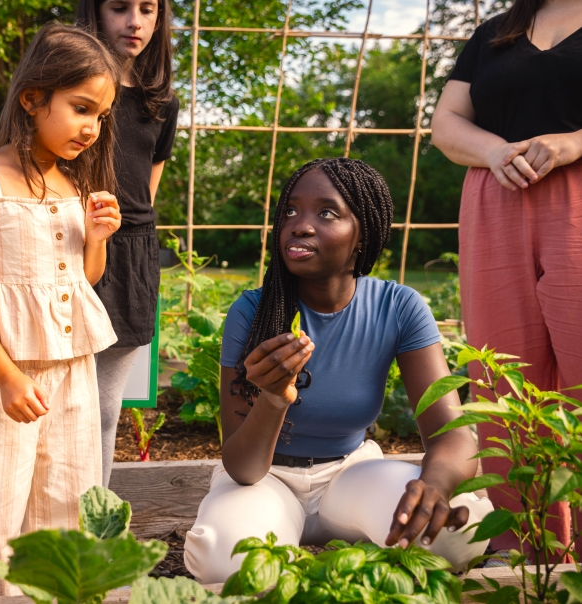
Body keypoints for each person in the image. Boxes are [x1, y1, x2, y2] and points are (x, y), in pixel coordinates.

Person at [183, 158, 494, 584]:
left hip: (350, 473)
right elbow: (244, 468)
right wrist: (274, 398)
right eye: (290, 211)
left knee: (462, 533)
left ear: (363, 235)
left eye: (326, 213)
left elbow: (451, 434)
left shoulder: (398, 307)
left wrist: (435, 485)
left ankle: (361, 537)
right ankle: (297, 539)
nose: (300, 225)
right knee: (225, 561)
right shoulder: (253, 313)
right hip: (266, 480)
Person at [0, 23, 122, 598]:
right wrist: (6, 375)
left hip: (73, 374)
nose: (92, 127)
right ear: (32, 98)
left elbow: (80, 281)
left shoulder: (72, 185)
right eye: (81, 108)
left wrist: (96, 238)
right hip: (8, 378)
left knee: (67, 504)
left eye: (100, 115)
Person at [432, 0, 582, 556]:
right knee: (505, 385)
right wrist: (495, 151)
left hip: (577, 201)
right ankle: (532, 560)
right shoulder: (497, 31)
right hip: (497, 202)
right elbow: (446, 123)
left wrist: (572, 143)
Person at [76, 0, 180, 488]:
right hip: (72, 244)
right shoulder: (71, 90)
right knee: (59, 397)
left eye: (147, 9)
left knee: (103, 406)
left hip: (133, 254)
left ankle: (90, 522)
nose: (134, 22)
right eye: (119, 8)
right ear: (95, 10)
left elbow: (147, 191)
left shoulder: (162, 103)